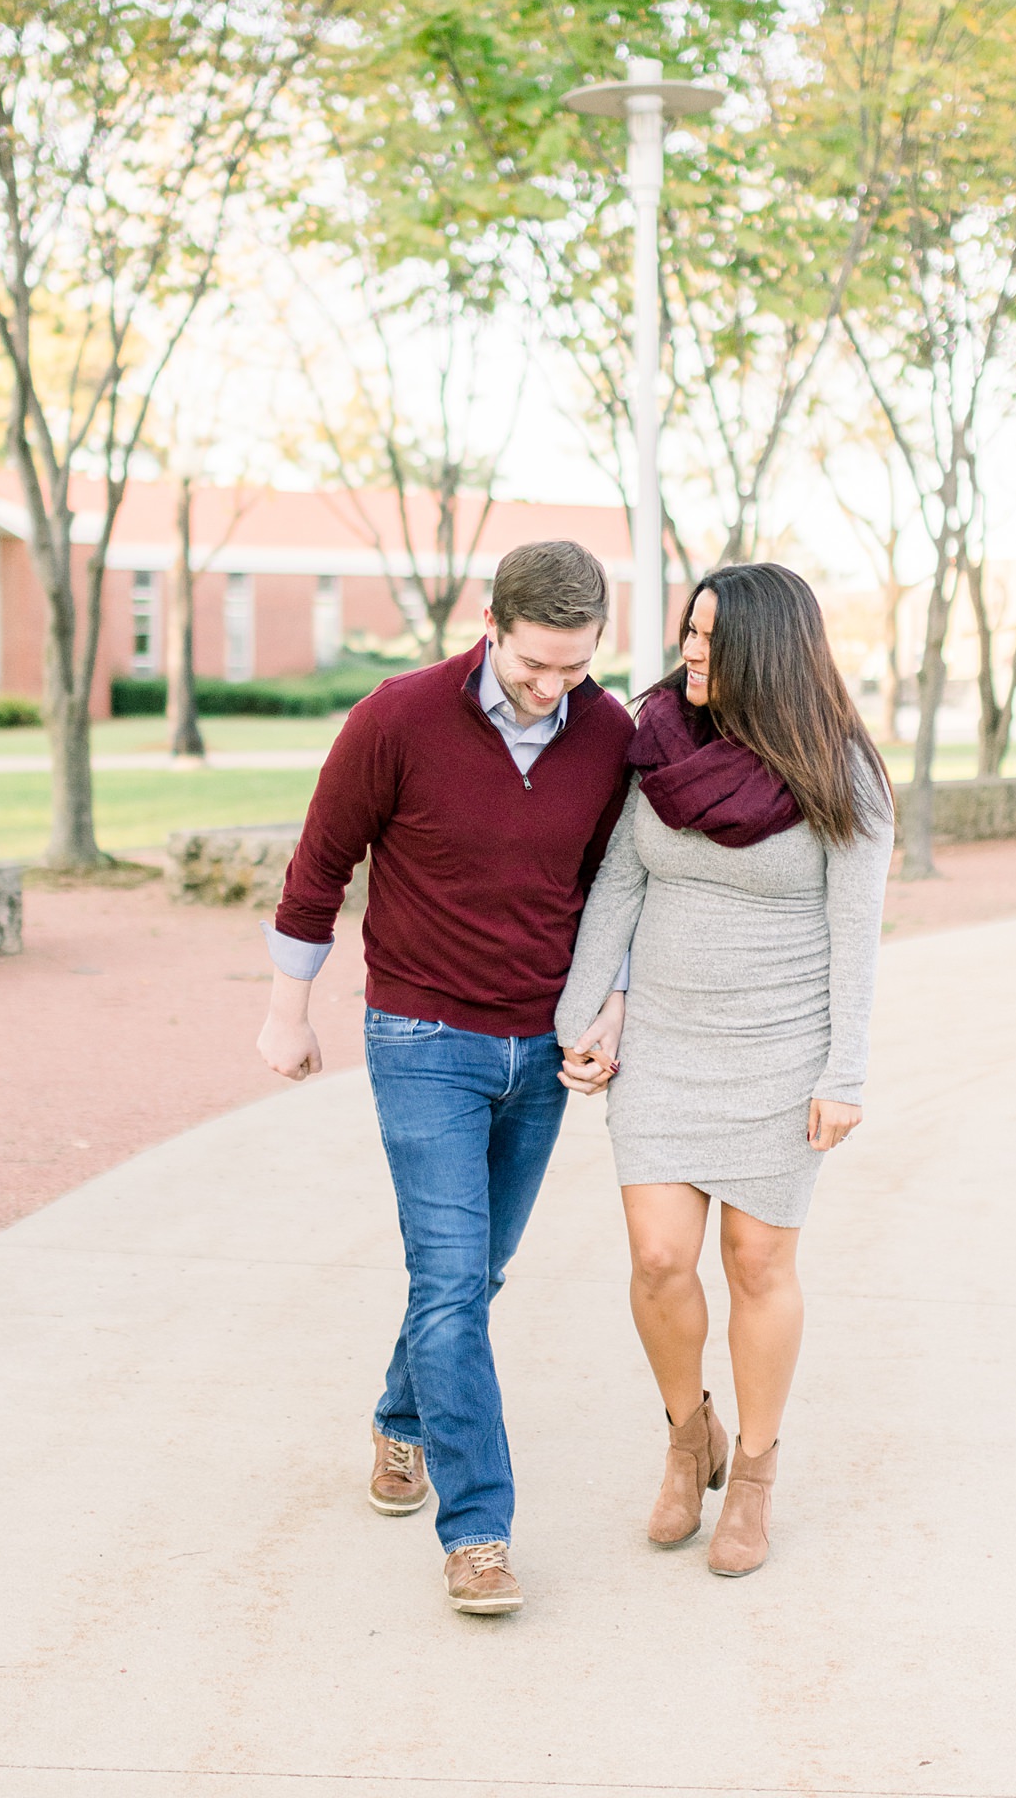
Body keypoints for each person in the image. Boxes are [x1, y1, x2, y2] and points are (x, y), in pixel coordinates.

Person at [256, 540, 632, 1616]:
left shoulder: (608, 733)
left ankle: (401, 1418)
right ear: (489, 622)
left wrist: (611, 1007)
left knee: (472, 1277)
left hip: (544, 1049)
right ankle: (478, 1533)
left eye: (574, 666)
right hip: (422, 1036)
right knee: (454, 1280)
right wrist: (288, 1013)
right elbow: (318, 866)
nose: (552, 688)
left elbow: (618, 886)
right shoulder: (398, 718)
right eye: (532, 666)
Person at [556, 562, 892, 1579]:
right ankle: (683, 1432)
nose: (689, 651)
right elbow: (617, 882)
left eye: (710, 637)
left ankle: (750, 1472)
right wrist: (584, 1016)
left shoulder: (840, 772)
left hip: (783, 1053)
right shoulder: (655, 740)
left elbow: (856, 935)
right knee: (660, 1260)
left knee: (756, 1265)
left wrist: (846, 1072)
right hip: (665, 1044)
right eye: (688, 631)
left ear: (767, 651)